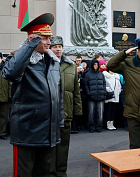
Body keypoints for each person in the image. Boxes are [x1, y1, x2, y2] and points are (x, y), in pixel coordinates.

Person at [2, 13, 64, 177]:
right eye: (44, 38)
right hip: (27, 132)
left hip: (48, 131)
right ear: (33, 39)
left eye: (49, 37)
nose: (49, 42)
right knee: (24, 174)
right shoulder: (19, 60)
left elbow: (58, 94)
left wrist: (59, 122)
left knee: (43, 173)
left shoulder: (52, 61)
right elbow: (10, 73)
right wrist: (29, 47)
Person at [49, 36, 82, 177]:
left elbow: (76, 90)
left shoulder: (71, 66)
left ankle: (61, 171)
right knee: (50, 145)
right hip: (49, 112)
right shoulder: (45, 63)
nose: (58, 49)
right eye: (55, 47)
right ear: (50, 49)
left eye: (60, 47)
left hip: (66, 111)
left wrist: (77, 109)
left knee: (63, 145)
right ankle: (50, 172)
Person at [83, 59, 106, 133]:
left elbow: (104, 83)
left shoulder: (101, 74)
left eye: (97, 65)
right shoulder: (88, 74)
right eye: (94, 64)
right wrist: (88, 93)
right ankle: (91, 126)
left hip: (100, 95)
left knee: (100, 113)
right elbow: (85, 84)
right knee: (91, 113)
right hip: (91, 96)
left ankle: (99, 126)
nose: (95, 66)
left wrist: (103, 91)